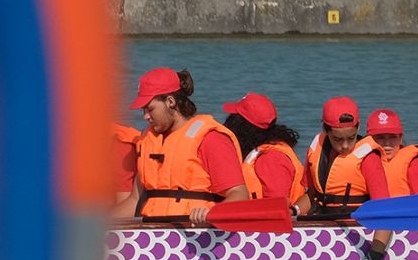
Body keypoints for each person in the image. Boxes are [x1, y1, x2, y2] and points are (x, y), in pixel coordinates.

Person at [128, 67, 246, 223]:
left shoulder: (211, 139)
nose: (145, 116)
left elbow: (240, 195)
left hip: (199, 238)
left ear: (170, 101)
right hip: (152, 239)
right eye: (143, 110)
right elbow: (134, 200)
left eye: (150, 109)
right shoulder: (147, 141)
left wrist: (211, 212)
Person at [221, 92, 308, 213]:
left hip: (274, 229)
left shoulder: (272, 158)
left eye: (233, 117)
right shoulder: (264, 150)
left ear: (241, 126)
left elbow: (277, 208)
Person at [302, 96, 387, 217]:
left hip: (357, 226)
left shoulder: (369, 158)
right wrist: (293, 211)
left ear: (358, 127)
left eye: (351, 137)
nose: (345, 146)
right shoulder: (316, 148)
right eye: (337, 139)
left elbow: (383, 209)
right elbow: (312, 195)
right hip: (322, 221)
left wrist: (377, 237)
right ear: (326, 131)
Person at [365, 108, 418, 199]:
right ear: (368, 139)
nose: (387, 143)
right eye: (380, 137)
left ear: (401, 138)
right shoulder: (363, 162)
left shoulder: (415, 164)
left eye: (393, 137)